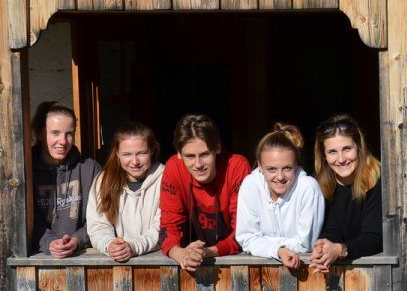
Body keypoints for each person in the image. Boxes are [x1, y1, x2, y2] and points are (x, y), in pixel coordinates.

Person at [159, 114, 250, 272]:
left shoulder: (236, 166)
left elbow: (244, 231)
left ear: (218, 148)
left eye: (205, 154)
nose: (198, 164)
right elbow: (169, 226)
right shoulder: (174, 167)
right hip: (189, 262)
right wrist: (180, 254)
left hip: (233, 262)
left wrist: (206, 252)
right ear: (179, 154)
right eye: (190, 156)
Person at [236, 123, 324, 269]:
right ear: (260, 166)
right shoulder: (250, 185)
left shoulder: (309, 188)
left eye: (287, 168)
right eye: (271, 169)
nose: (280, 176)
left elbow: (305, 244)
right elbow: (246, 238)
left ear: (296, 164)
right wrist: (277, 250)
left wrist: (263, 242)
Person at [309, 115, 383, 274]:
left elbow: (373, 238)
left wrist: (340, 249)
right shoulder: (318, 183)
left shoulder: (378, 180)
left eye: (347, 149)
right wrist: (323, 247)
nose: (341, 159)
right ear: (324, 156)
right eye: (332, 152)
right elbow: (332, 227)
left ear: (359, 147)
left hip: (375, 274)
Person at [86, 122, 164, 261]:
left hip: (157, 264)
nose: (135, 161)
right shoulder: (104, 180)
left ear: (152, 150)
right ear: (117, 154)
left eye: (142, 153)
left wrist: (133, 246)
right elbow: (98, 225)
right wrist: (110, 245)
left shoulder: (165, 179)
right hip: (116, 267)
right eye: (127, 154)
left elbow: (162, 228)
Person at [31, 101, 101, 257]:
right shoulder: (26, 171)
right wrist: (49, 242)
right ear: (41, 133)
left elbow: (101, 219)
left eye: (69, 134)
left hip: (81, 257)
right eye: (55, 133)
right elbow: (24, 221)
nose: (63, 141)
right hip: (37, 260)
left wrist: (77, 240)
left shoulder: (90, 169)